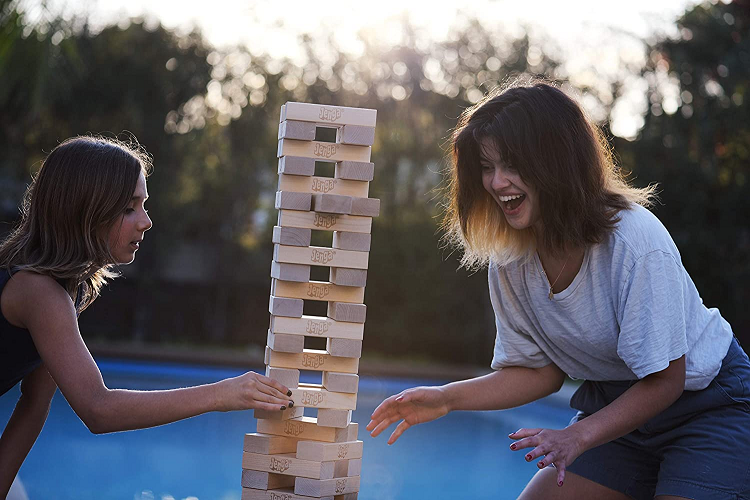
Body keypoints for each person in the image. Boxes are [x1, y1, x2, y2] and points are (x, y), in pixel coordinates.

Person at [366, 80, 750, 500]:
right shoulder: (510, 260)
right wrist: (445, 399)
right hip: (618, 410)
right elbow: (538, 372)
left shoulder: (635, 242)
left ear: (558, 161)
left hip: (708, 407)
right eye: (487, 166)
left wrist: (579, 436)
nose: (496, 182)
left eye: (512, 164)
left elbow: (665, 381)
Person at [0, 136, 294, 497]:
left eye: (144, 204)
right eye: (128, 208)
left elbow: (35, 402)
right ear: (84, 211)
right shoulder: (38, 291)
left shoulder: (62, 289)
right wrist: (222, 394)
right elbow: (98, 409)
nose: (146, 221)